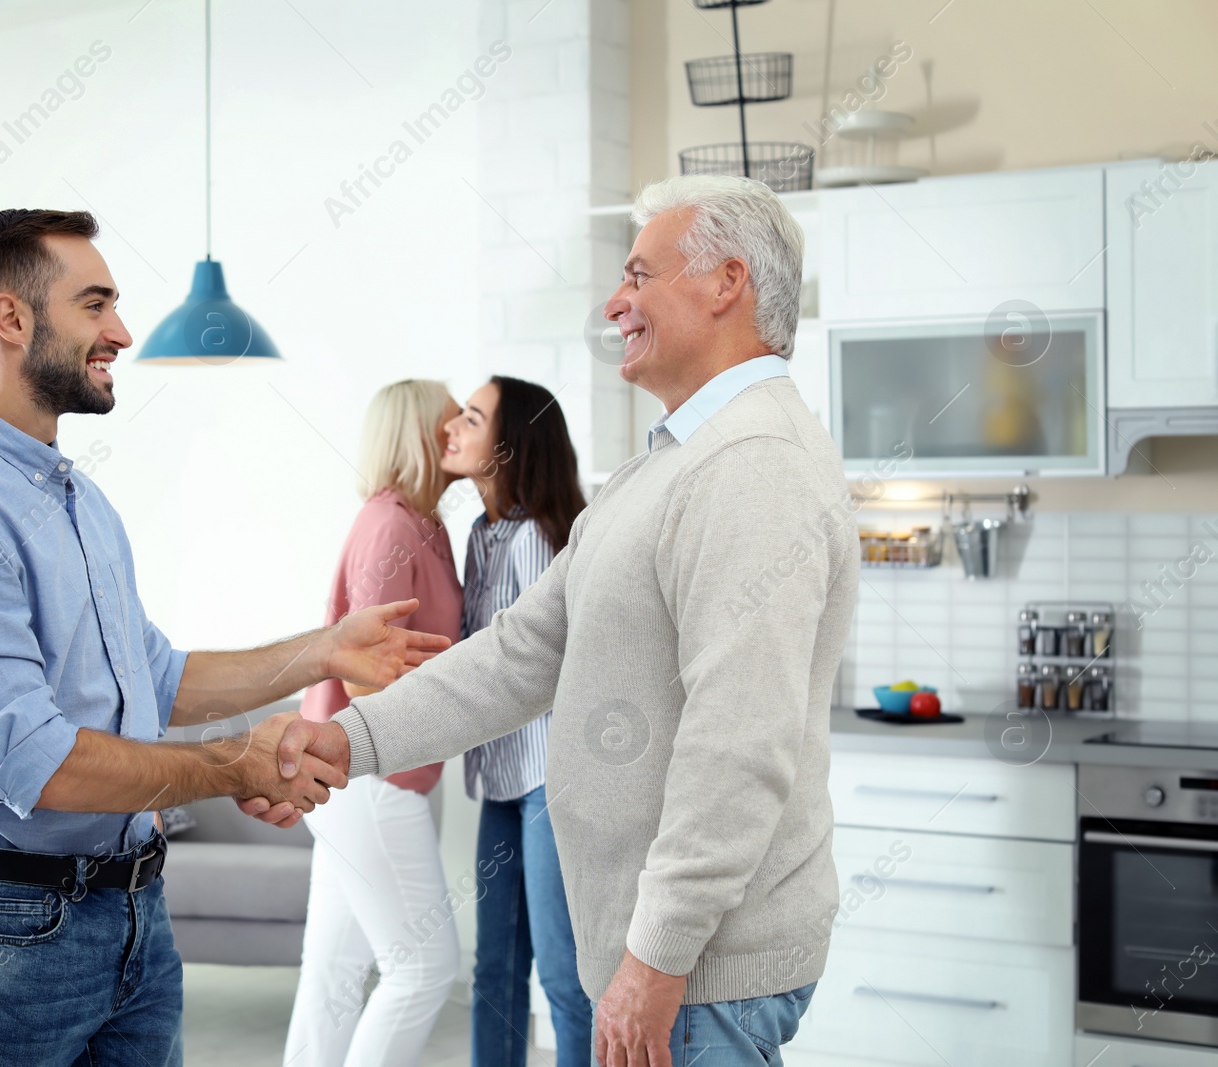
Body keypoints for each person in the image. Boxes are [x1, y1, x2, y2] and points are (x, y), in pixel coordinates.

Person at [275, 174, 862, 1066]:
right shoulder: (666, 467)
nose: (614, 301)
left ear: (725, 283)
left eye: (639, 274)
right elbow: (517, 655)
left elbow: (739, 745)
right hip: (665, 963)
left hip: (702, 976)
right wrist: (344, 741)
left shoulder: (753, 467)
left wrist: (655, 962)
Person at [0, 209, 450, 1067]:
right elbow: (37, 760)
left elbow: (158, 679)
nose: (121, 332)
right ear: (12, 319)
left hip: (133, 914)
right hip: (9, 933)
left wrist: (325, 648)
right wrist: (230, 763)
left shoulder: (77, 500)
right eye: (96, 306)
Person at [283, 379, 466, 1067]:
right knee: (424, 969)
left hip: (365, 778)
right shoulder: (390, 524)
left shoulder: (426, 523)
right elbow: (366, 674)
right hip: (372, 775)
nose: (461, 435)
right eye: (450, 425)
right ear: (417, 434)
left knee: (331, 975)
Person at [439, 375, 591, 1066]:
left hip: (550, 782)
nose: (453, 428)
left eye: (472, 418)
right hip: (501, 776)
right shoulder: (482, 532)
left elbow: (525, 671)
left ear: (508, 445)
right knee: (495, 969)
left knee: (564, 976)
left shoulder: (537, 538)